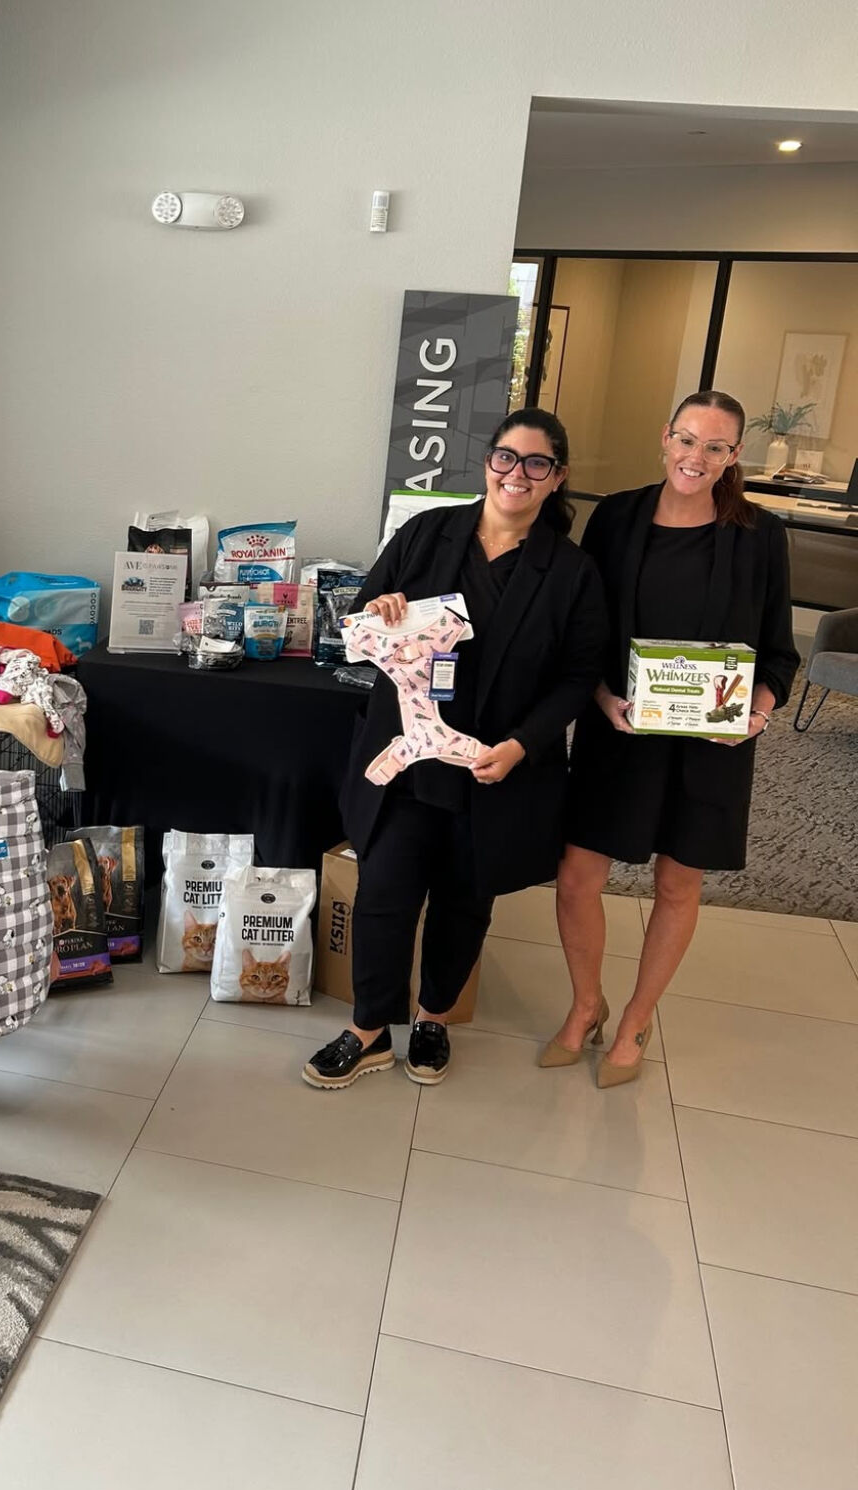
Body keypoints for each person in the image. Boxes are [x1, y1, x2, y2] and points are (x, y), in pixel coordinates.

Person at [304, 408, 609, 1090]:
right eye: (506, 457)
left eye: (536, 463)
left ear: (557, 478)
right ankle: (370, 1028)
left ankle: (434, 1016)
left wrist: (523, 746)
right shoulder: (427, 532)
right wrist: (379, 609)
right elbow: (359, 615)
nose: (517, 474)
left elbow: (577, 676)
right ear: (487, 463)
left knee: (465, 903)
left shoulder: (571, 572)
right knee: (384, 891)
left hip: (493, 767)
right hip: (410, 757)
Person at [543, 390, 799, 1086]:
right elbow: (586, 629)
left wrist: (758, 711)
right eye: (687, 440)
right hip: (618, 731)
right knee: (576, 878)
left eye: (716, 447)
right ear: (665, 439)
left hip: (709, 744)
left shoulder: (760, 535)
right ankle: (586, 1005)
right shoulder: (618, 516)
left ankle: (634, 1020)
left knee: (678, 884)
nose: (697, 457)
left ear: (735, 455)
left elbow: (779, 650)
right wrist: (599, 695)